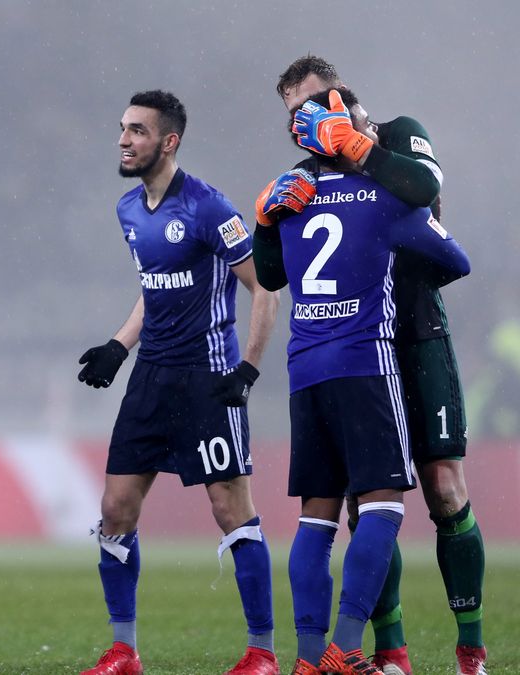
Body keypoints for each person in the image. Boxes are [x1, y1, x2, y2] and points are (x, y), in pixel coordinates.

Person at [255, 55, 488, 675]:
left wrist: (361, 150)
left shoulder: (399, 134)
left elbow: (426, 195)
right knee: (368, 501)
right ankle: (387, 653)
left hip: (416, 332)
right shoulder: (309, 177)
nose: (305, 122)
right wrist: (268, 217)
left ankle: (471, 647)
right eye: (292, 117)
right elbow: (273, 274)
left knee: (443, 487)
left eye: (313, 104)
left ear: (343, 94)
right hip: (361, 347)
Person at [76, 90, 280, 675]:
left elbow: (264, 288)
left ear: (169, 141)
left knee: (229, 508)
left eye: (137, 131)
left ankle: (262, 653)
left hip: (208, 377)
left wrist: (247, 368)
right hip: (152, 377)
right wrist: (120, 345)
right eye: (122, 128)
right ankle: (124, 651)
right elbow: (155, 284)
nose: (123, 139)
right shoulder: (128, 209)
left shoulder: (210, 208)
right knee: (115, 508)